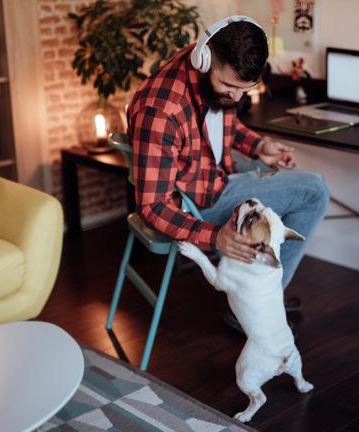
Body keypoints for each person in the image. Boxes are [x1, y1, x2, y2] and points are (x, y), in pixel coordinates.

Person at [126, 16, 329, 333]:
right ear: (204, 60)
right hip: (194, 203)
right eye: (230, 86)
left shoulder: (207, 70)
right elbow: (152, 207)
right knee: (314, 190)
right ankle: (261, 301)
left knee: (290, 177)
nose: (236, 97)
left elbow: (222, 123)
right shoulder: (161, 110)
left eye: (245, 89)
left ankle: (252, 287)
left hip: (210, 171)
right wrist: (213, 236)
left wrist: (259, 145)